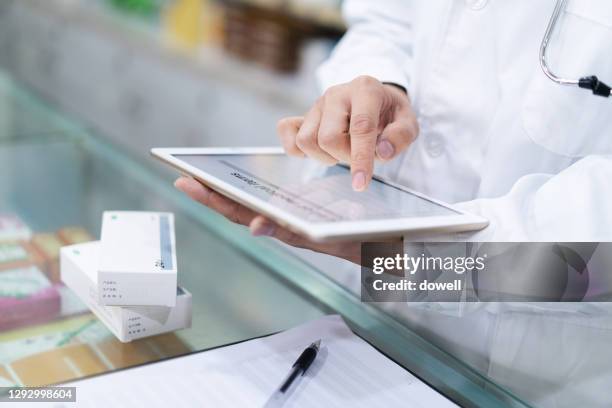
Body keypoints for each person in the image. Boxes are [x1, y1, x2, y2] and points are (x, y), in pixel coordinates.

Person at [176, 1, 612, 406]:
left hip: (535, 378)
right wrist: (380, 85)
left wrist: (411, 254)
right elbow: (382, 19)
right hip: (371, 319)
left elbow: (597, 261)